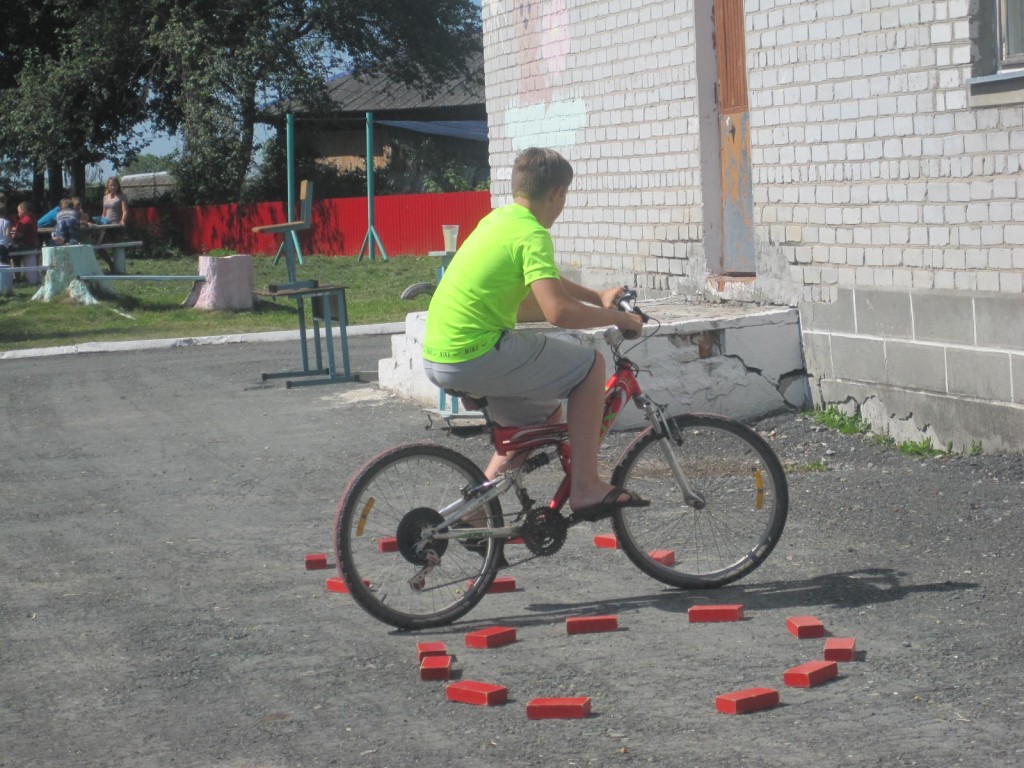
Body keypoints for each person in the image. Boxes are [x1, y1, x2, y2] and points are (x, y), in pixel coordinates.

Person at [421, 147, 647, 521]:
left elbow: (544, 278)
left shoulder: (499, 220)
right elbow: (558, 312)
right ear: (557, 192)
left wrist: (597, 297)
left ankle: (474, 515)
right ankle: (587, 487)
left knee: (541, 420)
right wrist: (619, 318)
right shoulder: (532, 233)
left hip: (440, 355)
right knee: (591, 365)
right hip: (476, 351)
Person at [10, 201, 39, 285]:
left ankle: (16, 278)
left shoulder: (24, 221)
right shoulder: (33, 219)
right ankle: (23, 279)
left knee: (10, 252)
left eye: (18, 211)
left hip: (25, 245)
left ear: (22, 211)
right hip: (33, 244)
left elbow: (18, 235)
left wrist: (11, 235)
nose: (18, 213)